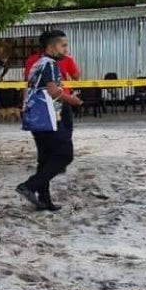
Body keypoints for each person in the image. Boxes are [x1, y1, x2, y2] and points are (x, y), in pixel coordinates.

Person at [17, 30, 83, 211]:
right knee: (65, 155)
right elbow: (54, 91)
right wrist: (73, 100)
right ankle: (30, 186)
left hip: (36, 117)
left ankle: (44, 199)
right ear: (52, 46)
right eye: (64, 45)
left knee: (45, 158)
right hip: (50, 116)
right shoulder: (50, 64)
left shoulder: (36, 64)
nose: (66, 49)